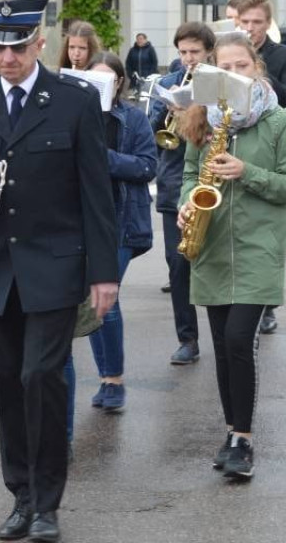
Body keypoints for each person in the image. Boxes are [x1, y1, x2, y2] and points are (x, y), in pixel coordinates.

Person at [0, 0, 119, 542]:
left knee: (42, 376)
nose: (6, 57)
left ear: (39, 43)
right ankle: (20, 494)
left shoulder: (73, 100)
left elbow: (96, 193)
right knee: (8, 384)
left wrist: (103, 273)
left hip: (55, 267)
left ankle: (47, 502)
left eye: (17, 46)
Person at [177, 32, 286, 480]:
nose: (234, 75)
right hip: (210, 245)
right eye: (224, 69)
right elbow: (189, 174)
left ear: (257, 68)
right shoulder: (203, 118)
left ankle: (244, 440)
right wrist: (188, 201)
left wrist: (245, 171)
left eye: (242, 67)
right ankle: (231, 432)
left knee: (237, 341)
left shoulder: (278, 121)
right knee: (220, 346)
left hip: (258, 247)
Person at [81, 52, 157, 411]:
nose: (102, 86)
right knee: (90, 301)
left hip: (121, 220)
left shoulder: (134, 119)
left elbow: (147, 166)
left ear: (120, 82)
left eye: (109, 79)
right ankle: (105, 378)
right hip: (81, 219)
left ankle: (114, 381)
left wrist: (104, 158)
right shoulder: (74, 115)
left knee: (104, 300)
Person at [148, 21, 216, 364]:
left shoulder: (219, 84)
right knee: (178, 266)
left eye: (195, 52)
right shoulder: (168, 83)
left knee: (217, 263)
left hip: (213, 182)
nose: (188, 59)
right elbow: (152, 134)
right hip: (174, 183)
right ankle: (187, 339)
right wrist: (167, 114)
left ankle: (228, 333)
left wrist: (195, 118)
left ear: (208, 52)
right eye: (183, 52)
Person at [235, 0, 286, 334]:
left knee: (265, 232)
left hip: (268, 144)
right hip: (232, 142)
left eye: (256, 22)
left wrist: (260, 80)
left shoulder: (284, 55)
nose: (250, 28)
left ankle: (266, 304)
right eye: (244, 22)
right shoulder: (229, 54)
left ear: (267, 24)